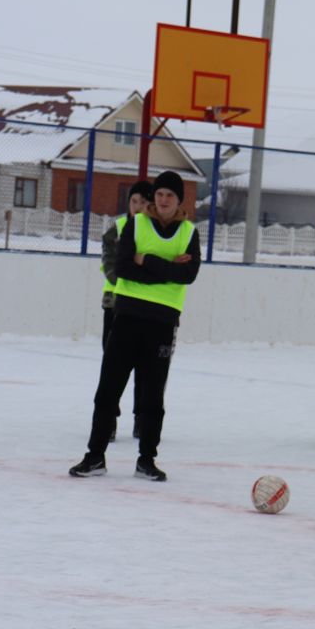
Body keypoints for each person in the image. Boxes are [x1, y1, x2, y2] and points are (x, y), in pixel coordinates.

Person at [69, 170, 200, 480]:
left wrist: (148, 261)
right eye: (160, 195)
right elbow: (124, 267)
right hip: (127, 316)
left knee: (153, 396)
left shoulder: (189, 232)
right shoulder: (136, 224)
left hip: (164, 321)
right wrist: (167, 268)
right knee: (108, 389)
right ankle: (95, 456)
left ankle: (147, 459)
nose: (164, 200)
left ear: (179, 200)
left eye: (170, 195)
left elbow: (189, 275)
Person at [97, 179, 153, 442]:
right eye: (134, 201)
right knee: (113, 364)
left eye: (144, 202)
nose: (139, 207)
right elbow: (111, 263)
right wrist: (128, 279)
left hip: (145, 306)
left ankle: (142, 418)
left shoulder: (155, 232)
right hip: (116, 303)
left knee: (145, 366)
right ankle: (109, 419)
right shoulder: (117, 229)